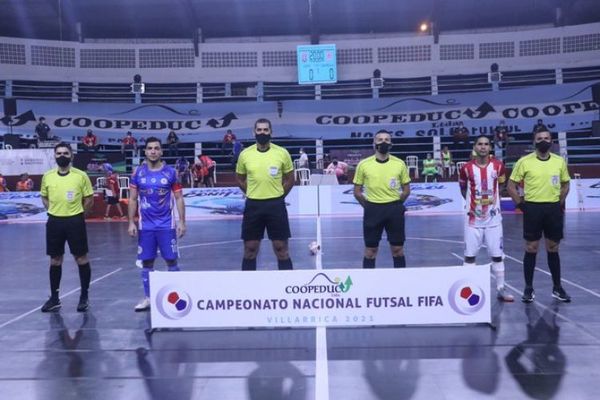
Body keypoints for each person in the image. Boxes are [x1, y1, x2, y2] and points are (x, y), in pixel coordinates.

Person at [507, 130, 571, 303]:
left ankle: (557, 288)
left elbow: (566, 184)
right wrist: (521, 205)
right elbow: (511, 185)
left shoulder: (559, 161)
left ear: (551, 141)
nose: (543, 141)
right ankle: (528, 288)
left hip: (553, 209)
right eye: (539, 139)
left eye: (546, 138)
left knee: (553, 248)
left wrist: (559, 203)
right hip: (533, 208)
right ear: (534, 141)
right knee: (531, 248)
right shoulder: (524, 161)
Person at [128, 137, 186, 311]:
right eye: (150, 148)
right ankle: (149, 297)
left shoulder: (171, 173)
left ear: (161, 151)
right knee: (147, 262)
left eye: (156, 148)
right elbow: (132, 199)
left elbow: (179, 197)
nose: (153, 151)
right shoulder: (137, 173)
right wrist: (131, 222)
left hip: (166, 225)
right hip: (146, 226)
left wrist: (182, 221)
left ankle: (177, 296)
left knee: (171, 260)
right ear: (145, 151)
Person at [40, 142, 94, 312]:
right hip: (54, 222)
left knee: (81, 258)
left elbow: (89, 199)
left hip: (75, 221)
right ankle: (55, 298)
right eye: (59, 153)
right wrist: (54, 211)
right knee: (55, 260)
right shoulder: (47, 176)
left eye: (65, 153)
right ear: (54, 155)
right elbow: (44, 197)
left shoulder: (81, 176)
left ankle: (84, 296)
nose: (62, 156)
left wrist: (78, 215)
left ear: (71, 155)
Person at [458, 135, 514, 302]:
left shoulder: (498, 166)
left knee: (497, 256)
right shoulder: (466, 168)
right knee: (469, 257)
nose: (483, 147)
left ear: (490, 147)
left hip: (494, 220)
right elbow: (463, 189)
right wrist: (472, 206)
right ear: (475, 147)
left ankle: (501, 289)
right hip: (473, 221)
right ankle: (467, 289)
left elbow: (502, 185)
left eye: (486, 144)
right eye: (480, 144)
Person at [236, 118, 294, 271]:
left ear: (271, 132)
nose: (262, 132)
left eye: (265, 130)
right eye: (259, 130)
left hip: (276, 206)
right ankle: (248, 290)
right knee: (250, 250)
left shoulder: (282, 153)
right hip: (253, 206)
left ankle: (287, 288)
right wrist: (251, 192)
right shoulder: (245, 154)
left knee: (281, 249)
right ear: (254, 132)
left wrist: (279, 195)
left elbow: (290, 179)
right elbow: (240, 178)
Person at [353, 130, 411, 269]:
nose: (383, 142)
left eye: (386, 139)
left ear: (391, 144)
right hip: (373, 210)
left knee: (397, 250)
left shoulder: (400, 164)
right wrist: (369, 206)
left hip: (394, 210)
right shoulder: (364, 164)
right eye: (380, 139)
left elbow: (406, 190)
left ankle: (402, 285)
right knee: (370, 252)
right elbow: (357, 192)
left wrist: (396, 204)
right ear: (374, 144)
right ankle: (368, 285)